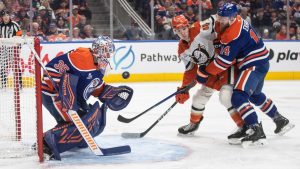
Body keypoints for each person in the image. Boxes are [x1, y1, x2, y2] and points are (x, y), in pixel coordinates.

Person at [200, 3, 294, 147]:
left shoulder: (233, 34)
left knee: (238, 96)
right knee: (254, 95)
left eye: (223, 17)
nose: (220, 20)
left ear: (232, 18)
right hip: (261, 63)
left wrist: (205, 72)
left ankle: (255, 130)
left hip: (253, 65)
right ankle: (280, 120)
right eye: (219, 16)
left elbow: (223, 63)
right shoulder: (238, 21)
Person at [41, 35, 133, 160]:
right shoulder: (82, 56)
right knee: (79, 123)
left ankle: (70, 140)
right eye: (104, 50)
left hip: (75, 97)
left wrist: (105, 92)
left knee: (89, 124)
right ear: (96, 50)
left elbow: (93, 83)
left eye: (109, 51)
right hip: (53, 94)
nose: (106, 54)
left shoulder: (99, 65)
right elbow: (51, 69)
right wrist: (65, 93)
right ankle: (44, 143)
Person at [172, 15, 244, 140]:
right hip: (208, 71)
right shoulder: (182, 49)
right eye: (178, 30)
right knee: (198, 99)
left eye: (183, 28)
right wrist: (184, 89)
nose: (182, 33)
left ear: (187, 25)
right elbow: (190, 70)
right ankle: (193, 124)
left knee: (225, 97)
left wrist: (225, 36)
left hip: (223, 65)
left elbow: (218, 18)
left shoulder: (200, 28)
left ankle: (243, 126)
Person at [0, 9, 22, 89]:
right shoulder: (0, 26)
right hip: (4, 48)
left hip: (13, 48)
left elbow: (20, 36)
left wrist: (19, 47)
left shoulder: (14, 25)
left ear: (9, 16)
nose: (5, 17)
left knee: (15, 66)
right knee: (2, 66)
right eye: (3, 16)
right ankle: (3, 84)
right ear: (2, 17)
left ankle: (19, 84)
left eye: (7, 15)